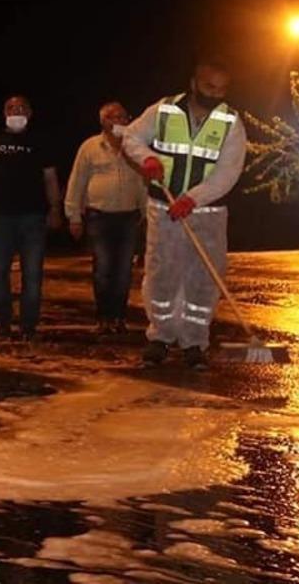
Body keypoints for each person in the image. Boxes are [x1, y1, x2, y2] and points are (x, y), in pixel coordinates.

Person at [122, 58, 247, 370]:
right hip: (163, 208)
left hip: (208, 213)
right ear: (193, 83)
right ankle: (160, 337)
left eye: (221, 89)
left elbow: (228, 172)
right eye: (208, 86)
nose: (214, 93)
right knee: (162, 271)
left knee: (204, 276)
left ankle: (194, 342)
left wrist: (193, 198)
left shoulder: (231, 123)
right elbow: (131, 138)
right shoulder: (163, 110)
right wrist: (148, 159)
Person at [0, 96, 61, 341]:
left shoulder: (40, 141)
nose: (16, 111)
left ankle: (28, 325)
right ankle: (4, 319)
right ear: (4, 112)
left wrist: (55, 208)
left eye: (21, 108)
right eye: (11, 108)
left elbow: (50, 177)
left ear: (30, 113)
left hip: (33, 217)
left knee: (32, 273)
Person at [65, 101, 146, 334]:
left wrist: (146, 210)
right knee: (103, 267)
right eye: (113, 117)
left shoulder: (135, 147)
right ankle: (103, 317)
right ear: (103, 121)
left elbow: (142, 182)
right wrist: (74, 216)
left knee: (124, 270)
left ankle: (119, 317)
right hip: (99, 216)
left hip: (129, 217)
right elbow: (77, 181)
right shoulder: (90, 147)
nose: (119, 121)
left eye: (123, 116)